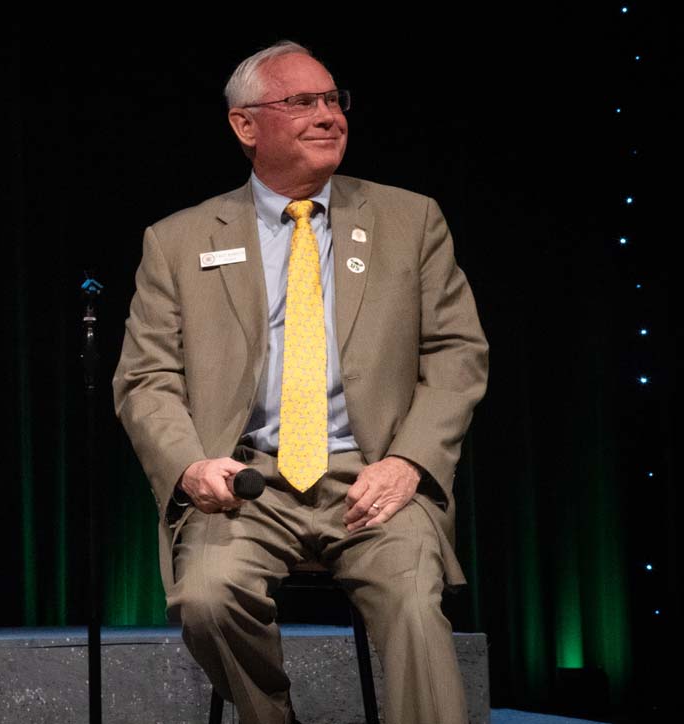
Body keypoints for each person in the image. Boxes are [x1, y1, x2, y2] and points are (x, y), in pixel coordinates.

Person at [113, 40, 488, 724]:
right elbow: (146, 378)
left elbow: (457, 352)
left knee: (411, 603)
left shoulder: (412, 220)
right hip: (247, 484)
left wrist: (409, 462)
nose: (327, 115)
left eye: (332, 100)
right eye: (301, 103)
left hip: (372, 480)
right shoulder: (179, 239)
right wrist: (191, 465)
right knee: (206, 596)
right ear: (245, 126)